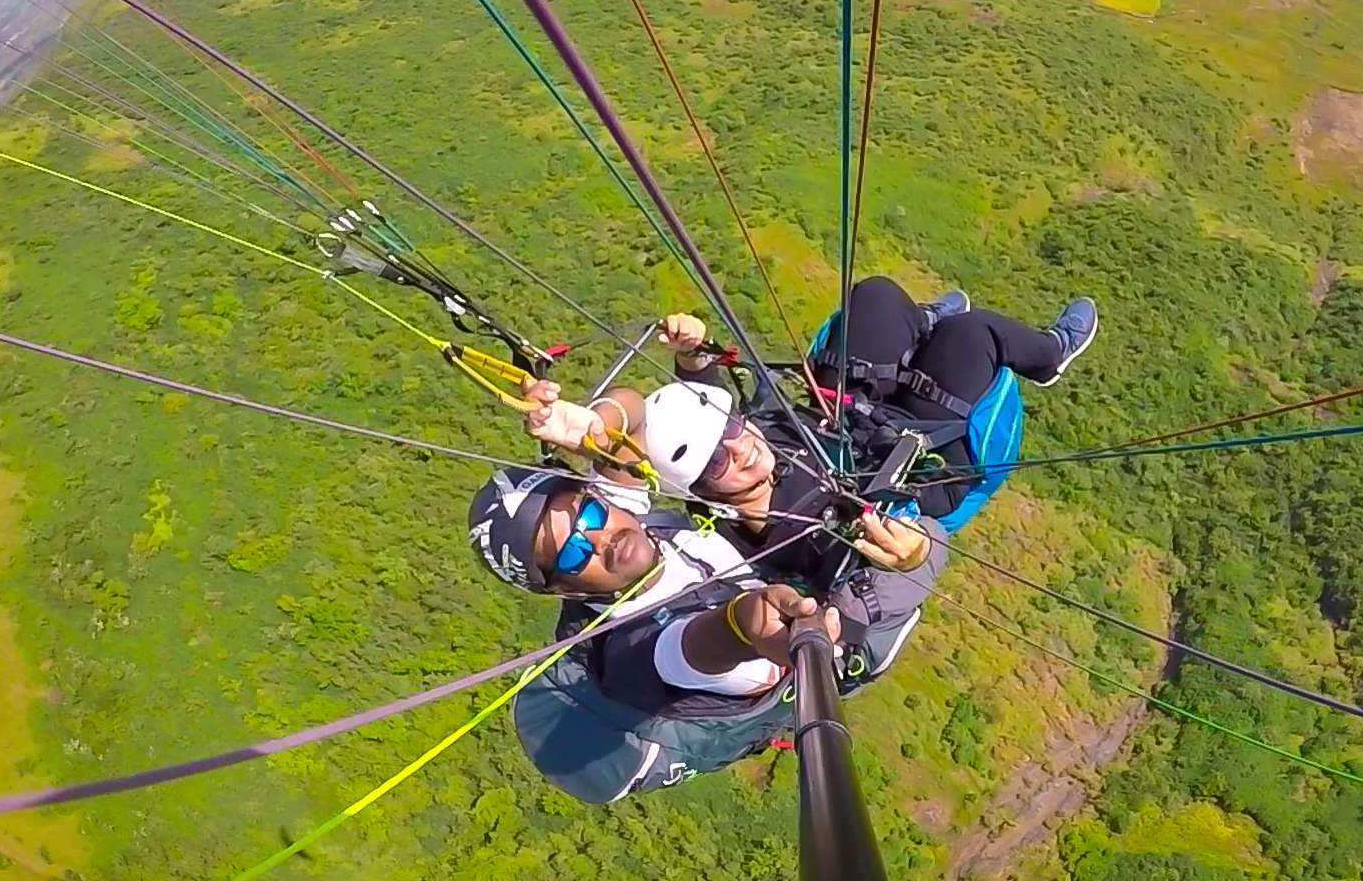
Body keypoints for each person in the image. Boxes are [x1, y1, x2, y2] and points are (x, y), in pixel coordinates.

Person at [521, 276, 1097, 583]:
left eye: (733, 433)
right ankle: (1047, 355)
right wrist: (911, 554)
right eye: (720, 463)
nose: (741, 450)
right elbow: (891, 554)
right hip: (919, 458)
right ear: (702, 492)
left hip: (846, 414)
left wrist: (682, 364)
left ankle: (921, 326)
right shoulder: (776, 537)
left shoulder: (740, 439)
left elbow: (656, 417)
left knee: (872, 295)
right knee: (976, 334)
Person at [467, 463, 943, 802]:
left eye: (588, 514)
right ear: (560, 590)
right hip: (835, 642)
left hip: (779, 578)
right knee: (929, 533)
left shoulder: (636, 527)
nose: (597, 538)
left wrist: (599, 416)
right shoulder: (632, 651)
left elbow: (625, 437)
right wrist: (744, 624)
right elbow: (695, 644)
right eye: (570, 554)